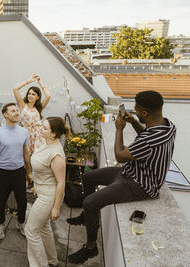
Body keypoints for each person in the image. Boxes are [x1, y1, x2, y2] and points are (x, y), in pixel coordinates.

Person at [67, 91, 176, 264]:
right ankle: (85, 217)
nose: (134, 111)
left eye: (137, 110)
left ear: (145, 113)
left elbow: (119, 156)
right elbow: (145, 135)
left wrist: (119, 128)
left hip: (140, 184)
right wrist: (134, 122)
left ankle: (91, 247)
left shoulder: (149, 140)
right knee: (89, 178)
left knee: (90, 203)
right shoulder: (167, 126)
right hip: (133, 171)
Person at [25, 117, 68, 267]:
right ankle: (52, 260)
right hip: (42, 191)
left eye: (44, 128)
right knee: (43, 228)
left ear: (54, 134)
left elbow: (61, 182)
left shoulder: (56, 154)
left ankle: (40, 264)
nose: (40, 129)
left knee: (30, 230)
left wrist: (56, 207)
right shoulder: (46, 143)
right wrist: (37, 184)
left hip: (49, 196)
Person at [0, 103, 31, 239]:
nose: (16, 113)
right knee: (0, 201)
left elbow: (27, 154)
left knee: (22, 201)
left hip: (19, 172)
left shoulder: (24, 132)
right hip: (3, 173)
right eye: (13, 111)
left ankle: (20, 223)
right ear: (5, 114)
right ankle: (0, 225)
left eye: (17, 110)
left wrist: (29, 172)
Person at [13, 74, 51, 155]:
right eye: (29, 93)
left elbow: (48, 96)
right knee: (25, 159)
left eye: (33, 94)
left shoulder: (38, 108)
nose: (30, 96)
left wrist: (40, 82)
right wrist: (29, 80)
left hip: (38, 136)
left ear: (37, 97)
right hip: (26, 136)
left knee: (37, 160)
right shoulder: (22, 105)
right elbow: (15, 89)